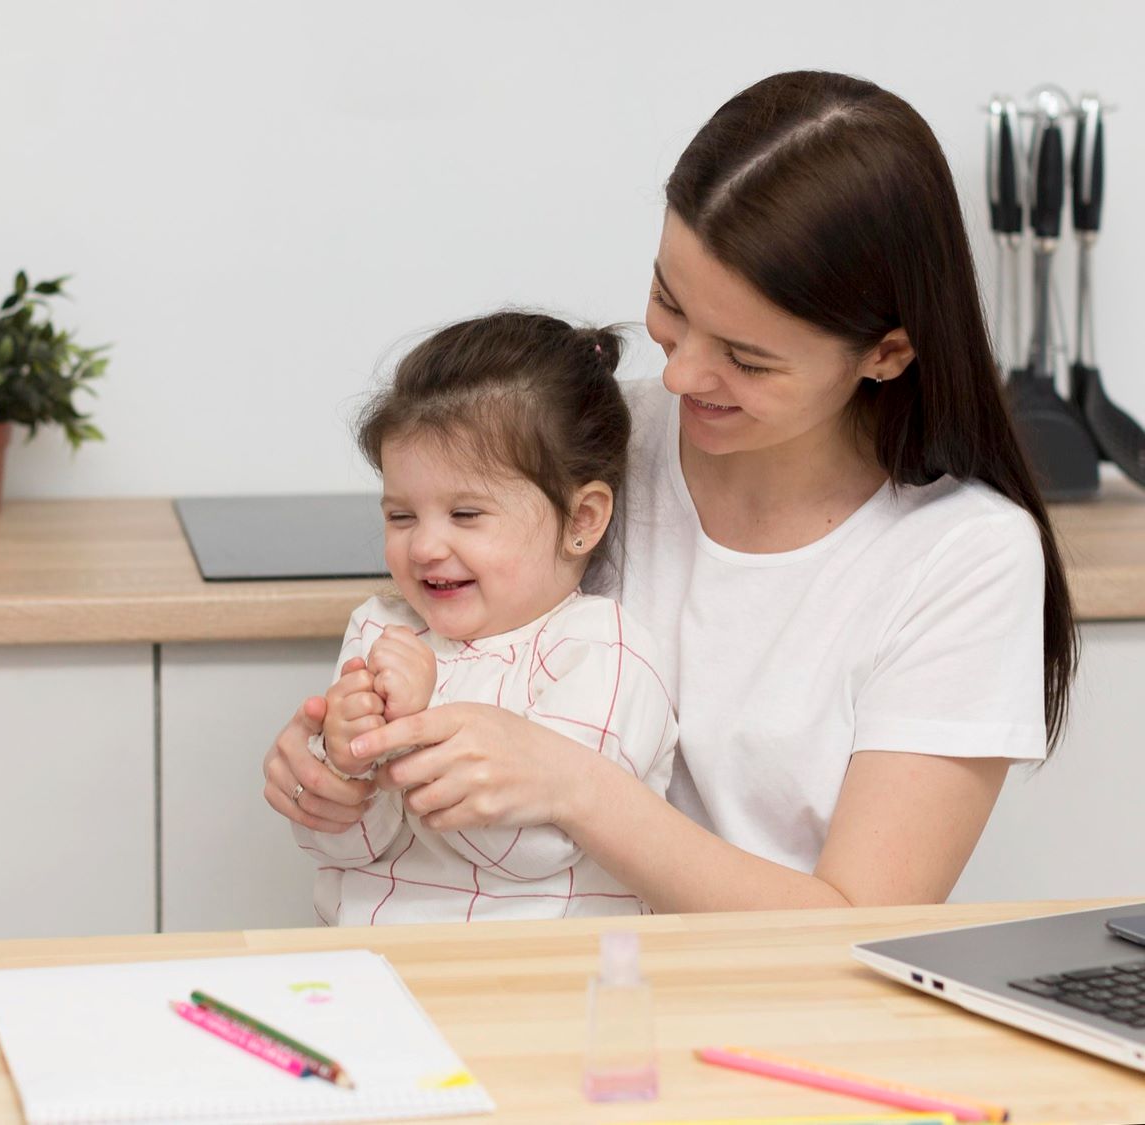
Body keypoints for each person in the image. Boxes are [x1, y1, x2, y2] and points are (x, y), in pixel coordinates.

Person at [264, 70, 1074, 914]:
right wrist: (330, 764)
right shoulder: (595, 448)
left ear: (887, 353)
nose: (681, 373)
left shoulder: (963, 555)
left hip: (766, 1011)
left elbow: (855, 924)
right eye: (668, 302)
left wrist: (572, 785)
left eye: (747, 357)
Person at [292, 311, 677, 924]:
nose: (423, 548)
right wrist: (341, 768)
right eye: (401, 516)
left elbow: (534, 849)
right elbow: (341, 846)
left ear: (581, 520)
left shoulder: (604, 650)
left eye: (466, 515)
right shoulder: (381, 628)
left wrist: (416, 724)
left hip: (542, 991)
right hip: (374, 967)